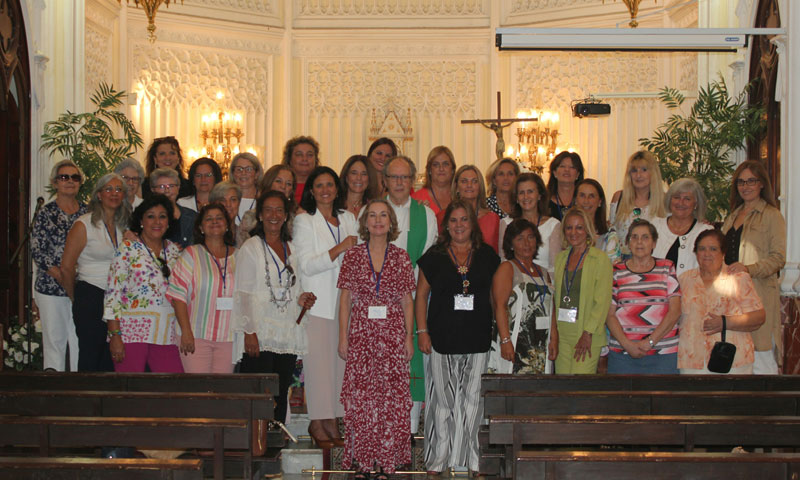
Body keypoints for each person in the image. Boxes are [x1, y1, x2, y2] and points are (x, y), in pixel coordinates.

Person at [415, 200, 500, 477]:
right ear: (446, 225)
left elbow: (495, 298)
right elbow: (421, 297)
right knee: (442, 403)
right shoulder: (435, 255)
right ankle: (437, 461)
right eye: (453, 220)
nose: (459, 225)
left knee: (474, 402)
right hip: (441, 339)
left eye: (464, 220)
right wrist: (422, 331)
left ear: (472, 224)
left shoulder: (487, 255)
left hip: (477, 339)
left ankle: (476, 463)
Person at [337, 199, 416, 479]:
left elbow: (408, 301)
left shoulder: (402, 257)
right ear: (365, 221)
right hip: (361, 335)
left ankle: (386, 460)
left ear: (391, 222)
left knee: (390, 398)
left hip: (393, 336)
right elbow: (345, 300)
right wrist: (343, 337)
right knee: (363, 398)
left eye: (384, 215)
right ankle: (362, 459)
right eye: (372, 215)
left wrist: (409, 337)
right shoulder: (353, 256)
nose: (378, 220)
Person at [232, 190, 316, 424]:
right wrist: (250, 333)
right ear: (259, 215)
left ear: (285, 215)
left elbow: (294, 286)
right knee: (259, 395)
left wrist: (303, 299)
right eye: (268, 209)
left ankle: (274, 442)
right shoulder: (251, 247)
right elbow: (244, 294)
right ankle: (255, 446)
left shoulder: (291, 247)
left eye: (279, 210)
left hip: (286, 332)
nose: (274, 215)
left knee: (279, 392)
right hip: (260, 332)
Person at [293, 166, 358, 447]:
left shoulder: (349, 217)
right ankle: (317, 422)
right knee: (318, 366)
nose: (325, 190)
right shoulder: (304, 221)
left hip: (346, 302)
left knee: (340, 366)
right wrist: (340, 248)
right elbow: (306, 264)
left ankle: (333, 418)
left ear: (337, 188)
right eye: (319, 185)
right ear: (311, 191)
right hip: (318, 303)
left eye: (330, 184)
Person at [382, 155, 438, 439]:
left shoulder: (426, 215)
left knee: (412, 362)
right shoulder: (374, 211)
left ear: (413, 180)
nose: (400, 183)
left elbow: (428, 260)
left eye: (405, 177)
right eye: (394, 177)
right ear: (385, 181)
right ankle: (382, 433)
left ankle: (409, 431)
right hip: (378, 303)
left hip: (414, 297)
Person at [720, 160, 786, 374]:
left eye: (751, 181)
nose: (745, 186)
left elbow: (779, 258)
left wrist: (748, 269)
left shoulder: (772, 215)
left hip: (758, 295)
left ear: (762, 185)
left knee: (761, 361)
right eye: (741, 182)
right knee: (737, 362)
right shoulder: (731, 216)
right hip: (731, 298)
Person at [104, 194, 183, 372]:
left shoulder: (173, 251)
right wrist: (115, 334)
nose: (157, 222)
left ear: (169, 222)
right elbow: (113, 293)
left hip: (166, 332)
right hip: (132, 332)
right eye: (150, 216)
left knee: (171, 387)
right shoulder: (128, 248)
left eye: (162, 216)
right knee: (130, 390)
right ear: (141, 221)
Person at [60, 173, 128, 372]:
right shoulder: (84, 224)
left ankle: (108, 401)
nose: (114, 194)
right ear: (99, 194)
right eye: (108, 189)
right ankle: (85, 400)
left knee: (111, 356)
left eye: (118, 189)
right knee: (91, 354)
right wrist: (76, 298)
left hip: (117, 299)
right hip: (91, 293)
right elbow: (66, 267)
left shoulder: (123, 226)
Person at [678, 229, 765, 374]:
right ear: (696, 253)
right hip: (692, 361)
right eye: (702, 249)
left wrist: (725, 322)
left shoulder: (738, 278)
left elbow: (759, 317)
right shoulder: (684, 279)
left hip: (732, 361)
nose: (707, 254)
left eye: (713, 249)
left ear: (723, 252)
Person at [166, 203, 237, 374]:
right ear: (200, 227)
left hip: (229, 337)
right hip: (196, 335)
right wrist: (186, 332)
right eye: (209, 219)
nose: (214, 222)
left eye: (219, 218)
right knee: (199, 391)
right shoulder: (190, 254)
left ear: (227, 225)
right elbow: (178, 297)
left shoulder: (240, 256)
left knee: (221, 392)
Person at [31, 160, 88, 371]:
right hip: (50, 288)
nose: (70, 181)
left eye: (75, 177)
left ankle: (78, 391)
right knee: (54, 343)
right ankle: (54, 393)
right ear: (55, 183)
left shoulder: (87, 212)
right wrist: (62, 277)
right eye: (64, 177)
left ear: (80, 183)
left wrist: (73, 280)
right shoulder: (45, 213)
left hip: (81, 287)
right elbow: (39, 251)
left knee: (79, 341)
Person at [606, 219, 681, 374]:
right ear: (627, 243)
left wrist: (650, 342)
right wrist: (628, 345)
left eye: (645, 237)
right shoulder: (616, 271)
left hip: (663, 354)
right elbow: (609, 314)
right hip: (623, 355)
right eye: (634, 237)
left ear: (654, 243)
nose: (639, 242)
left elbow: (675, 311)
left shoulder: (666, 267)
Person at [549, 207, 612, 374]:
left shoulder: (599, 259)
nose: (573, 232)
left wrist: (588, 334)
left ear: (587, 230)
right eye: (569, 227)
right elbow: (556, 297)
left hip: (586, 335)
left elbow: (602, 302)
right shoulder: (561, 258)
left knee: (579, 389)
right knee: (563, 389)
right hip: (563, 335)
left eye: (579, 227)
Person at [489, 218, 553, 374]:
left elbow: (552, 308)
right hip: (515, 342)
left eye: (530, 237)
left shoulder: (543, 272)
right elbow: (500, 306)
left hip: (540, 344)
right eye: (520, 239)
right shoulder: (507, 268)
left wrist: (554, 340)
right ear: (511, 244)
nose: (526, 243)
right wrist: (505, 340)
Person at [498, 173, 562, 274]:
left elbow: (554, 267)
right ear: (516, 198)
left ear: (540, 195)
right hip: (514, 282)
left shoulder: (553, 225)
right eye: (521, 193)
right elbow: (504, 261)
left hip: (544, 284)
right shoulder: (506, 223)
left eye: (530, 191)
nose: (526, 197)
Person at [652, 178, 713, 277]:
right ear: (670, 200)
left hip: (692, 291)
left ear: (696, 204)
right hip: (655, 290)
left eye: (687, 199)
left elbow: (712, 269)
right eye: (676, 197)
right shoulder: (654, 226)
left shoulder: (706, 232)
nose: (680, 202)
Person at [609, 150, 666, 254]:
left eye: (644, 170)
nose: (638, 175)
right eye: (634, 170)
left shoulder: (665, 201)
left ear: (653, 173)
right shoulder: (618, 198)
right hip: (622, 264)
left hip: (653, 263)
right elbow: (612, 235)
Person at [438, 165, 500, 253]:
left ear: (480, 187)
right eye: (464, 181)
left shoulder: (492, 219)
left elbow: (496, 253)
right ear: (456, 187)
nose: (469, 185)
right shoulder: (442, 217)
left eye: (474, 181)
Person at [576, 179, 621, 263]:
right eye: (582, 195)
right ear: (575, 200)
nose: (586, 201)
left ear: (600, 202)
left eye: (591, 196)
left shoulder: (609, 234)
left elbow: (613, 268)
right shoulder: (567, 230)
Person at [150, 168, 196, 248]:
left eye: (171, 186)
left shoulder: (192, 215)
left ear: (178, 188)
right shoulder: (148, 216)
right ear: (153, 190)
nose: (167, 191)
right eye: (161, 187)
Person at [411, 146, 456, 217]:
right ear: (429, 170)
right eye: (436, 165)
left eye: (445, 164)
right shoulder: (416, 198)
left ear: (453, 169)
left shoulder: (460, 196)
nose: (441, 169)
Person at [546, 151, 585, 221]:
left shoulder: (584, 201)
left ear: (578, 174)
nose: (567, 170)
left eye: (572, 167)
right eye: (562, 166)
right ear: (554, 172)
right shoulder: (544, 201)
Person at [283, 136, 320, 204]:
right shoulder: (281, 186)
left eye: (309, 155)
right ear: (289, 159)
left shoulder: (323, 187)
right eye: (299, 154)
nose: (305, 159)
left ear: (316, 159)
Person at [209, 181, 246, 246]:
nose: (228, 204)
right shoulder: (207, 234)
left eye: (233, 199)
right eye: (222, 200)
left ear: (239, 203)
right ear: (213, 204)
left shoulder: (245, 237)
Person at [229, 152, 262, 220]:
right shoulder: (225, 199)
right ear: (233, 173)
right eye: (239, 169)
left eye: (248, 169)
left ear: (257, 174)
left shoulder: (264, 199)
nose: (243, 173)